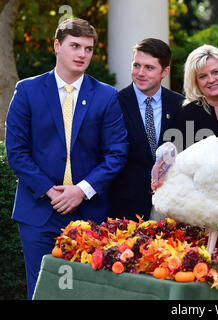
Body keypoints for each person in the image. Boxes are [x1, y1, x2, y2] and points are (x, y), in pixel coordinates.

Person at [5, 18, 129, 299]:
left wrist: (81, 191)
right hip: (39, 211)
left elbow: (117, 152)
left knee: (84, 291)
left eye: (88, 48)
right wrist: (52, 192)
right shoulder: (28, 90)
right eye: (75, 46)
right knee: (43, 290)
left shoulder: (106, 95)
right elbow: (16, 150)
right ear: (57, 46)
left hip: (90, 213)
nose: (82, 54)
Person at [172, 44, 218, 246]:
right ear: (195, 82)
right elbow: (179, 169)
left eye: (215, 72)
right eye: (203, 76)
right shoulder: (187, 114)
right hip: (204, 215)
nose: (211, 80)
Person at [109, 38, 184, 222]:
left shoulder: (180, 104)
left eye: (149, 68)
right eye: (136, 65)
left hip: (172, 208)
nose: (140, 73)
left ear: (165, 71)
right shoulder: (114, 103)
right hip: (126, 209)